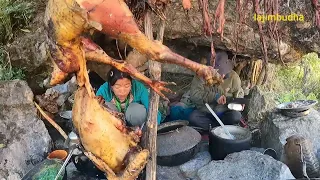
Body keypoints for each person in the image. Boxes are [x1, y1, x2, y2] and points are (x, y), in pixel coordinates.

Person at [188, 51, 244, 131]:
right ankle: (216, 129)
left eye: (223, 72)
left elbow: (239, 92)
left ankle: (215, 128)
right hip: (207, 111)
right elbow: (194, 95)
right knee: (193, 117)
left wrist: (239, 102)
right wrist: (214, 97)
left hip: (224, 112)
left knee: (236, 116)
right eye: (218, 73)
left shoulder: (234, 77)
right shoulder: (201, 75)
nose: (222, 75)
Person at [96, 67, 161, 126]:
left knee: (136, 111)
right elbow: (93, 111)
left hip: (136, 126)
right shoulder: (103, 91)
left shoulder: (138, 88)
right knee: (104, 109)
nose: (122, 91)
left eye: (127, 86)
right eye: (117, 87)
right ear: (111, 86)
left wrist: (152, 127)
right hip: (113, 128)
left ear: (131, 84)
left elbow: (154, 110)